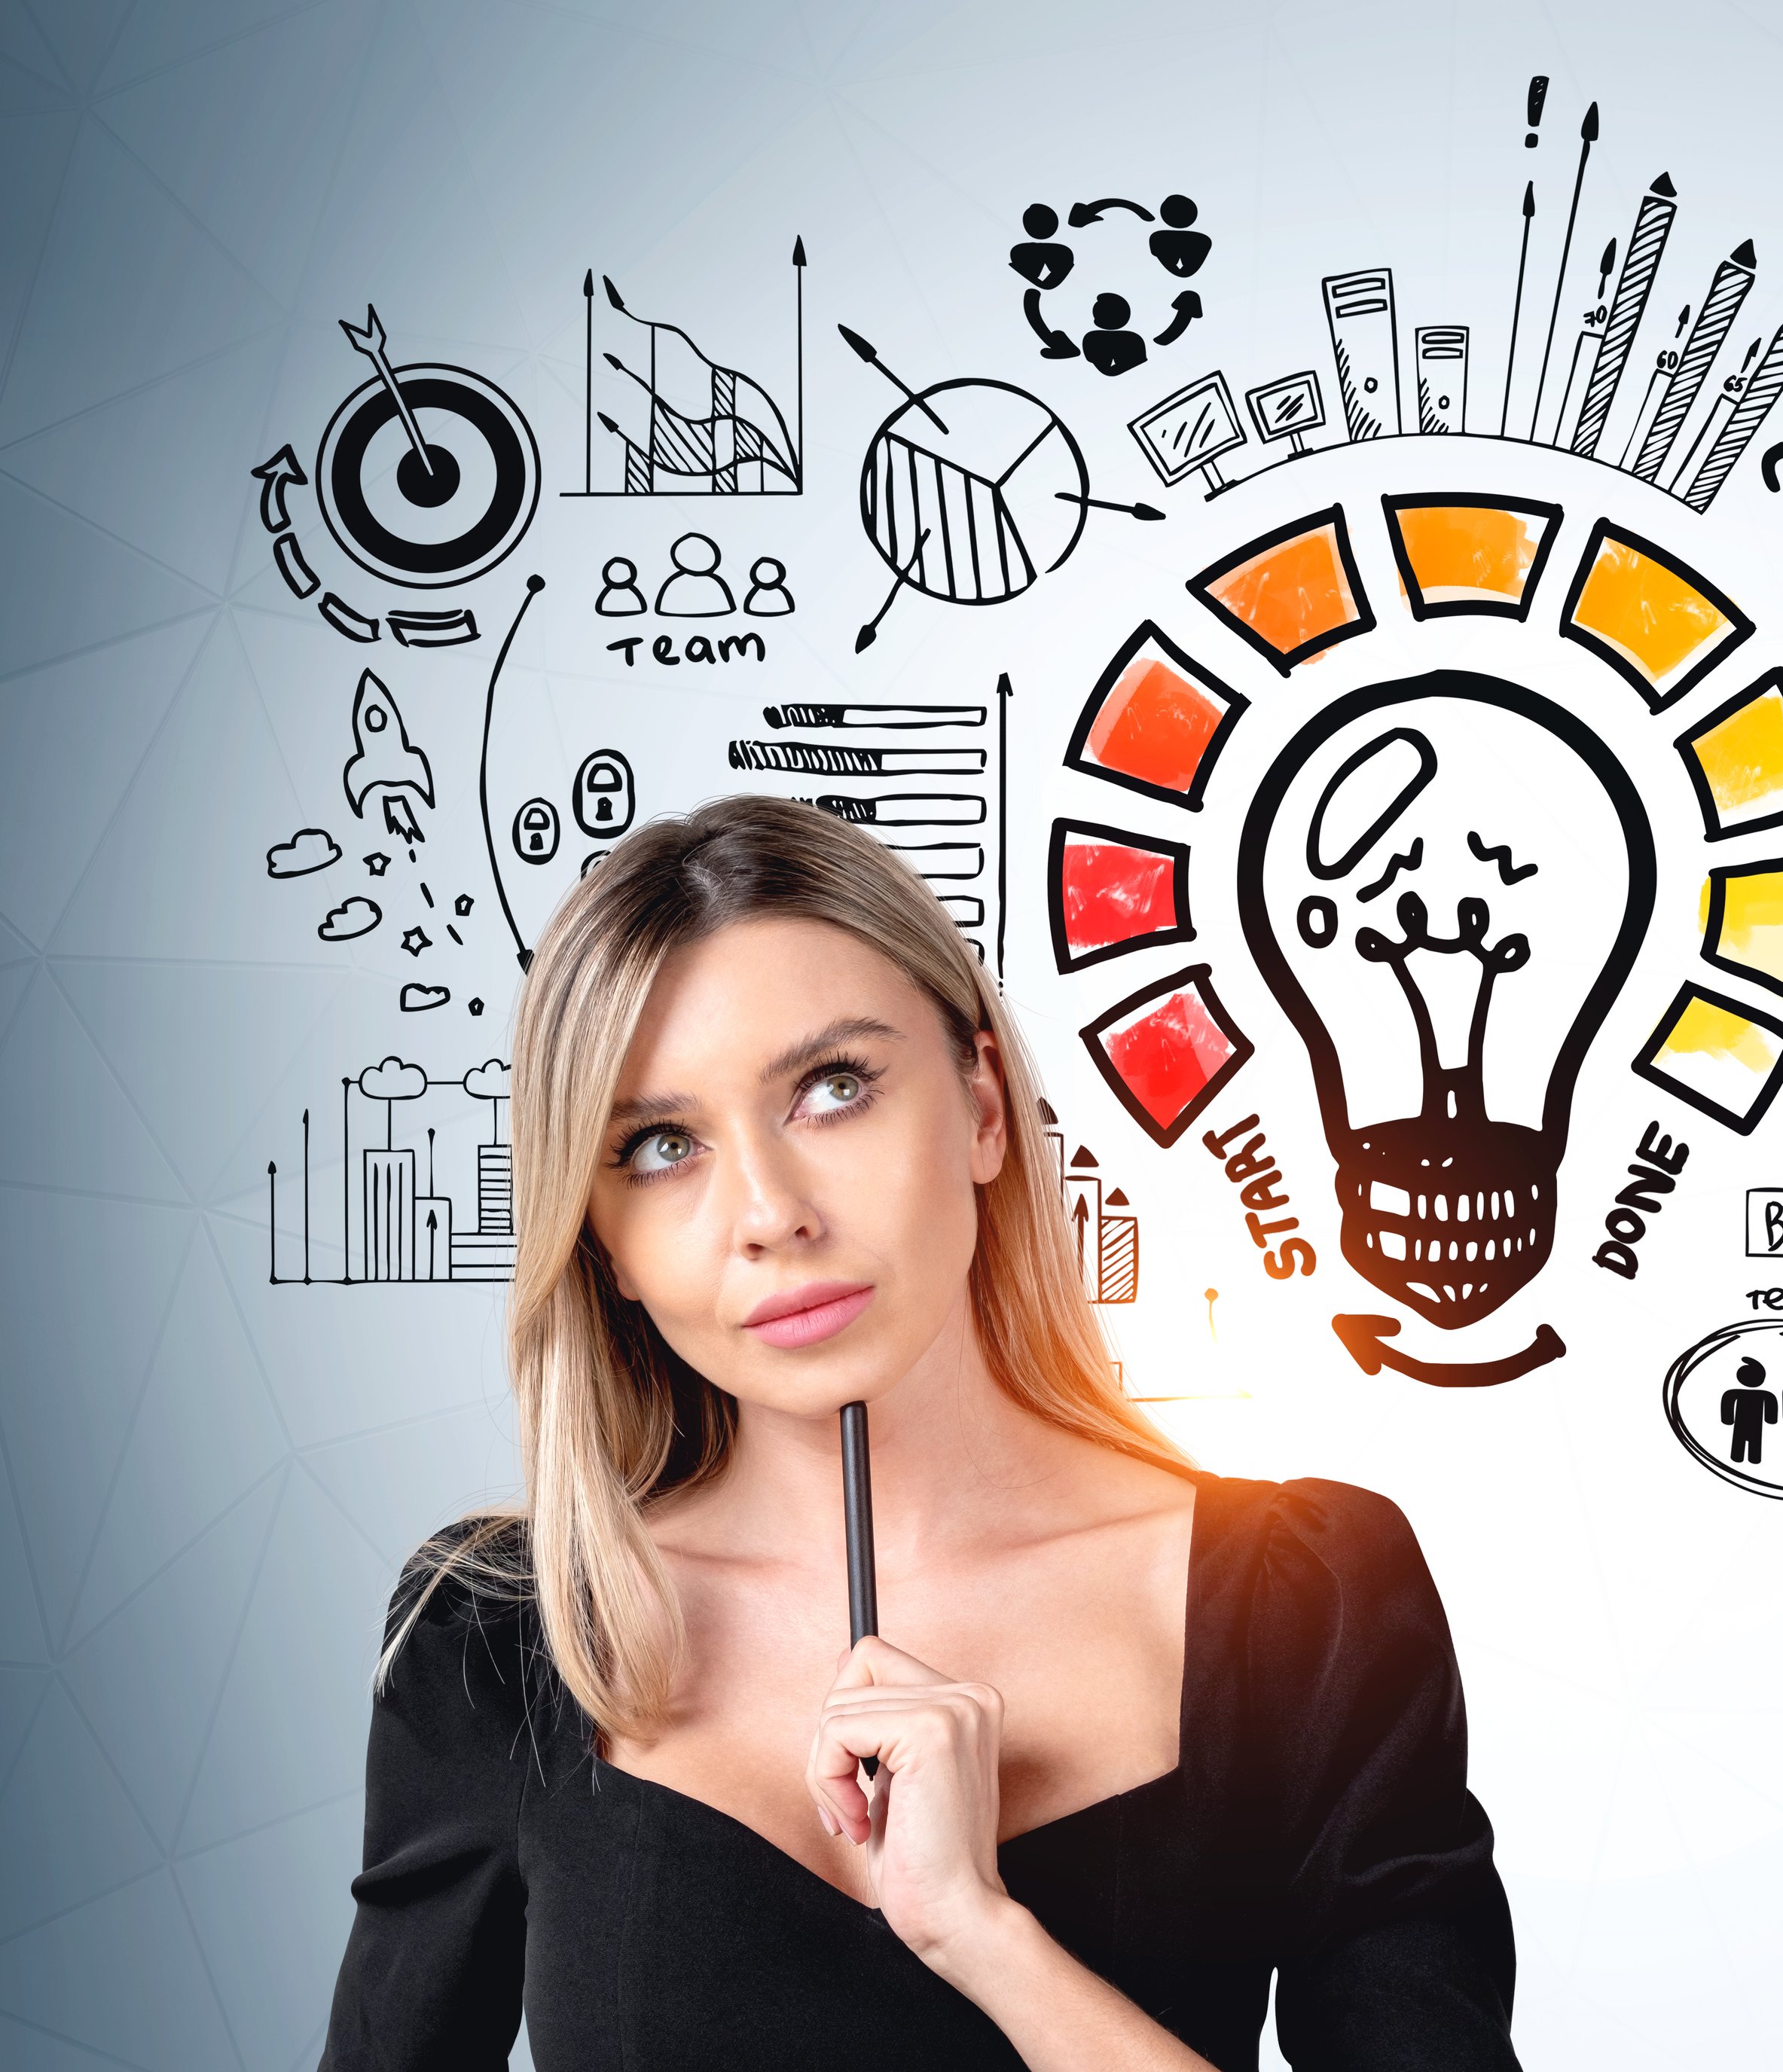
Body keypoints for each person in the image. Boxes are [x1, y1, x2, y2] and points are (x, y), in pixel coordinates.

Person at [322, 796, 1519, 2069]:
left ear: (985, 1106)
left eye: (833, 1089)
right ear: (600, 1239)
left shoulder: (1305, 1602)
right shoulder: (503, 1636)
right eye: (662, 1147)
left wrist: (981, 1934)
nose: (770, 1214)